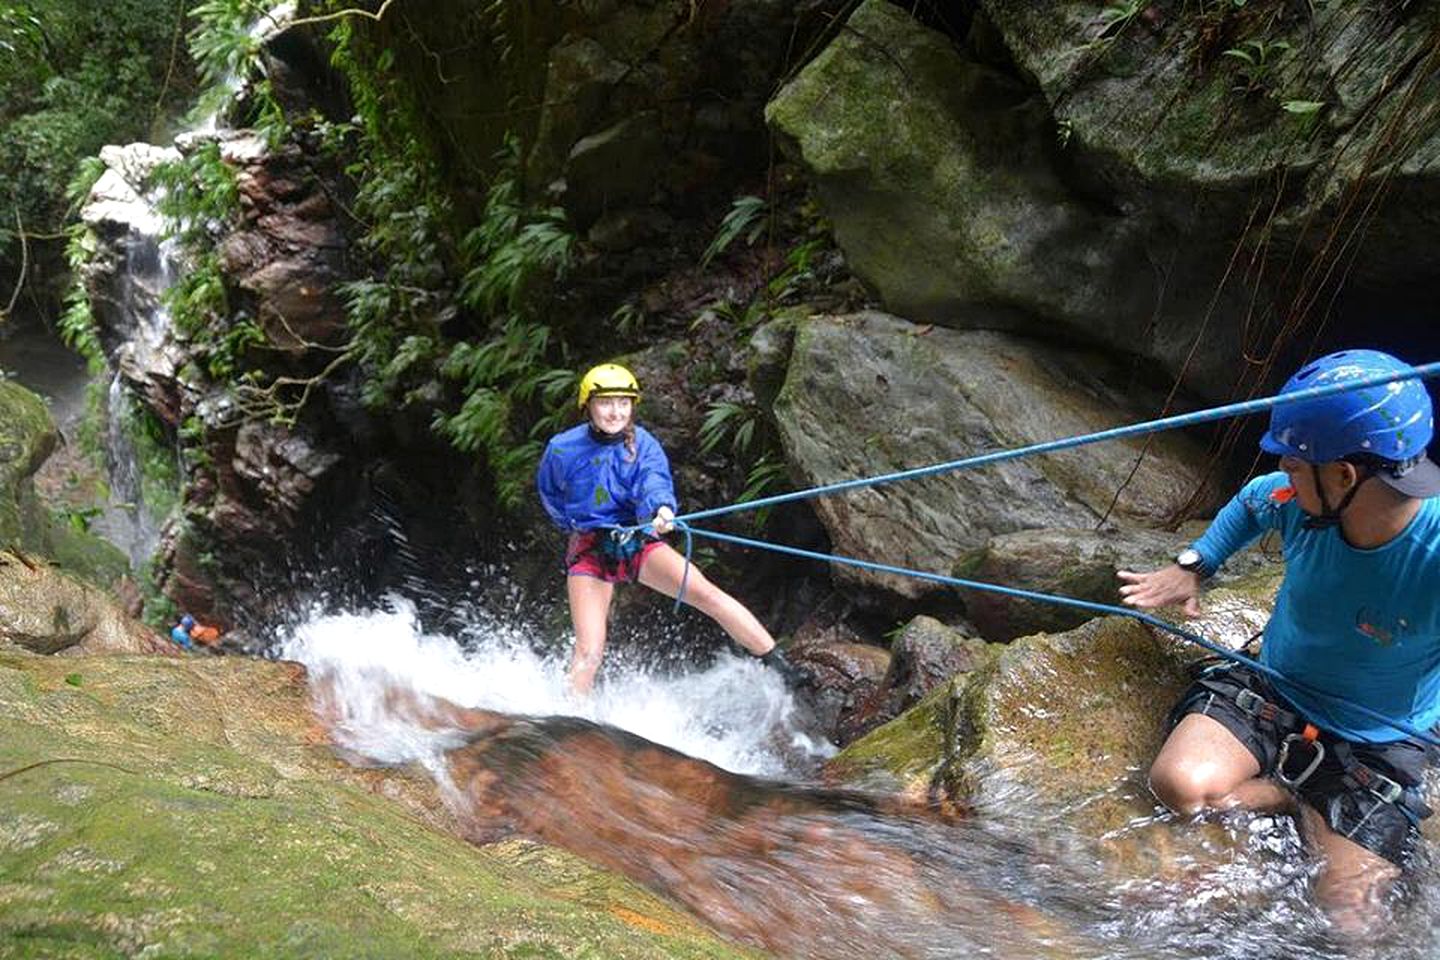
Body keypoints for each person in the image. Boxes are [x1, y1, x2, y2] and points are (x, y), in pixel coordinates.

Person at [1117, 349, 1440, 931]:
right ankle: (1294, 793)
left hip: (1378, 739)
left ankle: (1294, 794)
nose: (1284, 470)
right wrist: (1196, 562)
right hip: (1274, 689)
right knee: (1180, 787)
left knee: (1353, 923)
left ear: (1343, 475)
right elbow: (1250, 501)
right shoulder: (1298, 500)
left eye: (1295, 462)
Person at [536, 362, 804, 695]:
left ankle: (779, 665)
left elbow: (654, 480)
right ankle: (572, 715)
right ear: (588, 405)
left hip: (638, 538)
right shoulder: (562, 448)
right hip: (591, 548)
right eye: (606, 403)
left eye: (623, 402)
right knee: (589, 649)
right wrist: (577, 525)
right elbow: (550, 493)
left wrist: (660, 509)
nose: (615, 411)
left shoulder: (642, 444)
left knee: (707, 594)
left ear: (633, 405)